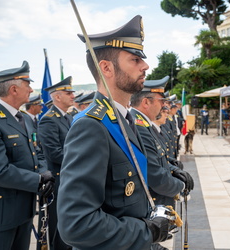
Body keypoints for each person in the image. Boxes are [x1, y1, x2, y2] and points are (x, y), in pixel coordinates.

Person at [57, 15, 173, 249]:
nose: (145, 66)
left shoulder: (125, 119)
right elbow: (76, 225)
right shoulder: (91, 126)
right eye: (135, 59)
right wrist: (146, 231)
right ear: (107, 68)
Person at [0, 61, 54, 250]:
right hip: (1, 215)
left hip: (25, 210)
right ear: (14, 89)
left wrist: (44, 174)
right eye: (28, 85)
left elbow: (37, 151)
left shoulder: (24, 118)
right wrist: (38, 180)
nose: (31, 89)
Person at [130, 77, 193, 250]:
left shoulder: (144, 124)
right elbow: (154, 173)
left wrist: (174, 170)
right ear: (145, 102)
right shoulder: (139, 126)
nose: (164, 106)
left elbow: (160, 157)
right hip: (153, 202)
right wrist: (180, 187)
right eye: (161, 101)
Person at [38, 76, 75, 250]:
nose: (73, 96)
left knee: (70, 226)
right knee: (58, 229)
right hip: (59, 180)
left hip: (70, 177)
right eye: (68, 93)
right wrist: (80, 161)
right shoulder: (49, 119)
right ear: (57, 97)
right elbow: (54, 153)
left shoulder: (67, 118)